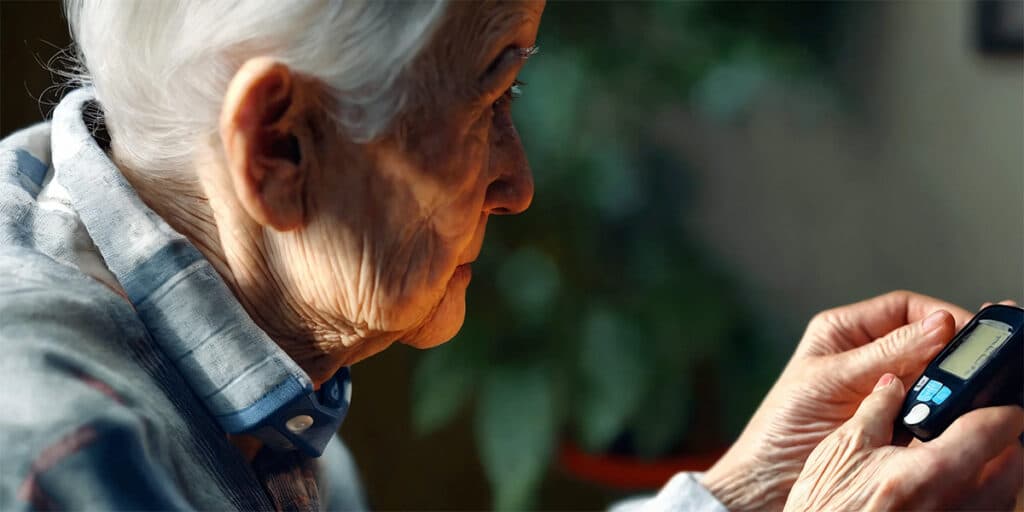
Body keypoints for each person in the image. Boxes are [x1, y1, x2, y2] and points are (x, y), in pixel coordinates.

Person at [0, 1, 1020, 510]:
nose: (520, 179)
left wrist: (742, 490)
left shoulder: (253, 361)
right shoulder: (62, 458)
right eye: (490, 96)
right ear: (279, 144)